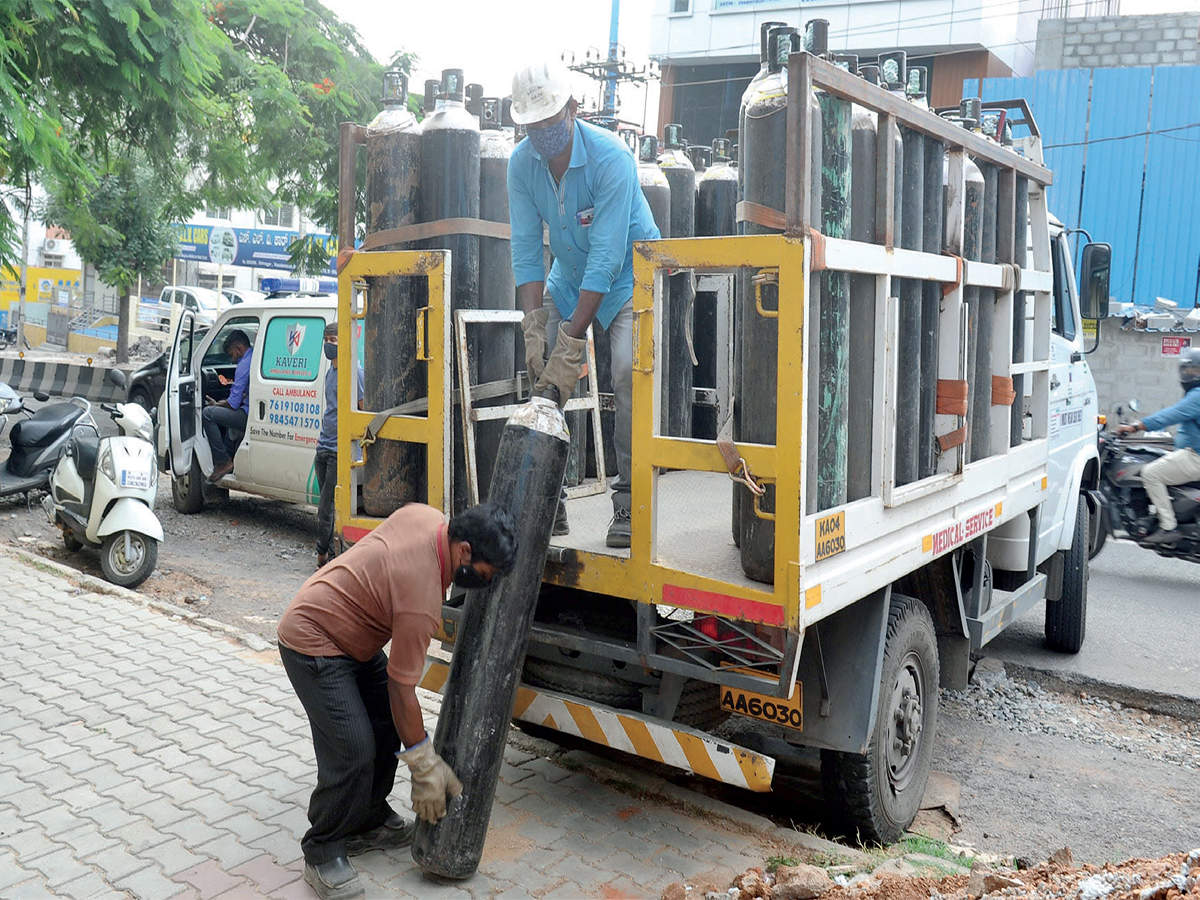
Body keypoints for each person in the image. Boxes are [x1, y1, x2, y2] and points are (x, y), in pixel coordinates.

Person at [276, 502, 517, 900]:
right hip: (313, 640)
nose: (483, 585)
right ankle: (323, 847)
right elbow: (401, 690)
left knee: (387, 725)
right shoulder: (421, 597)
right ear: (465, 552)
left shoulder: (429, 518)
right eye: (484, 577)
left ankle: (367, 819)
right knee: (354, 750)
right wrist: (425, 766)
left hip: (352, 637)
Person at [508, 61, 660, 549]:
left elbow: (608, 255)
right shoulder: (521, 165)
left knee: (623, 374)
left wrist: (571, 340)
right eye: (532, 127)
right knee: (542, 381)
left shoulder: (611, 159)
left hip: (628, 278)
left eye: (549, 124)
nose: (541, 136)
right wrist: (535, 327)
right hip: (570, 278)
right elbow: (527, 251)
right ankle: (550, 502)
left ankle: (630, 505)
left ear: (573, 110)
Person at [1117, 347, 1200, 544]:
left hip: (1195, 457)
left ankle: (1168, 526)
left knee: (1150, 473)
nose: (1189, 375)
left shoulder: (1197, 395)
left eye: (1195, 371)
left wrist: (1135, 426)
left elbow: (1169, 415)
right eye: (1187, 370)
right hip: (1190, 453)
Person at [314, 321, 364, 569]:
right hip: (323, 445)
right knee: (325, 506)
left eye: (334, 341)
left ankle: (323, 556)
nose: (329, 346)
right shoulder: (330, 372)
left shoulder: (354, 372)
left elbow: (363, 408)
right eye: (327, 341)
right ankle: (333, 554)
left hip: (339, 450)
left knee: (327, 506)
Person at [202, 329, 252, 482]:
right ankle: (230, 462)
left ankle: (223, 462)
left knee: (208, 413)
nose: (232, 360)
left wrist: (216, 405)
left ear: (238, 348)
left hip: (248, 414)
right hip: (251, 408)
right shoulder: (255, 356)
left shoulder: (243, 365)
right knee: (230, 423)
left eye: (232, 354)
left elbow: (232, 403)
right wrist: (220, 404)